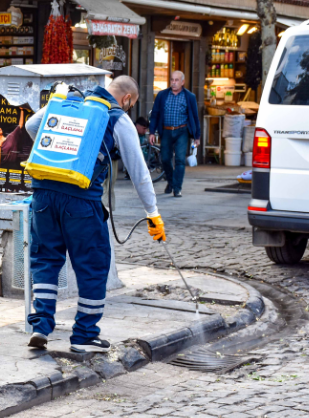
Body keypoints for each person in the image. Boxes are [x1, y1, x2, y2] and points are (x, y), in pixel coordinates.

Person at [24, 76, 165, 354]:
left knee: (46, 260)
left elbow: (32, 126)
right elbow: (138, 170)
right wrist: (153, 212)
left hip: (43, 194)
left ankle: (41, 325)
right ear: (127, 99)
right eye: (130, 105)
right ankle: (84, 335)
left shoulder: (67, 101)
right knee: (92, 265)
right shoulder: (116, 117)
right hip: (81, 201)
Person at [149, 70, 200, 198]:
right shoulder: (162, 95)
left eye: (177, 80)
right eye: (172, 80)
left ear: (182, 82)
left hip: (182, 131)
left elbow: (195, 117)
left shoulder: (189, 97)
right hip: (166, 131)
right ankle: (171, 182)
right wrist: (151, 132)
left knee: (180, 160)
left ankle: (177, 188)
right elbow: (155, 114)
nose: (174, 82)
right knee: (165, 159)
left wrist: (197, 136)